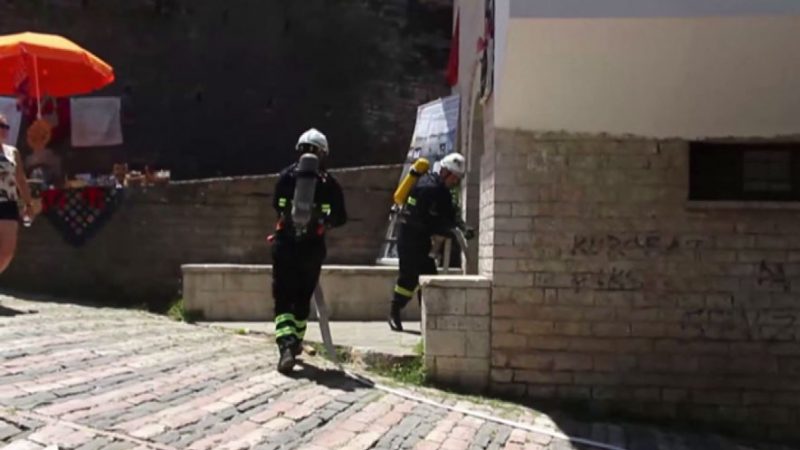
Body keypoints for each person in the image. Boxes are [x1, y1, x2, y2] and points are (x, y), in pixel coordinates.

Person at [270, 128, 347, 373]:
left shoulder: (286, 176)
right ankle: (296, 342)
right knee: (303, 297)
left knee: (283, 297)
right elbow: (341, 217)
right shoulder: (330, 183)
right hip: (312, 248)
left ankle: (286, 346)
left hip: (285, 244)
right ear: (323, 153)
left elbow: (276, 205)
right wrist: (323, 222)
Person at [388, 152, 473, 331]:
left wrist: (463, 228)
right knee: (408, 278)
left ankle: (428, 322)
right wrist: (444, 228)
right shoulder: (425, 187)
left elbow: (450, 214)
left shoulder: (443, 192)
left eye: (458, 179)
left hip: (422, 240)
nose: (455, 182)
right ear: (444, 172)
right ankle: (394, 312)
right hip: (409, 239)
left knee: (429, 277)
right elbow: (420, 218)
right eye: (454, 177)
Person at [0, 114, 33, 274]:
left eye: (6, 127)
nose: (4, 130)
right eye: (1, 126)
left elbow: (20, 178)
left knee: (7, 251)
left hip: (8, 204)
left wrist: (28, 203)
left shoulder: (12, 152)